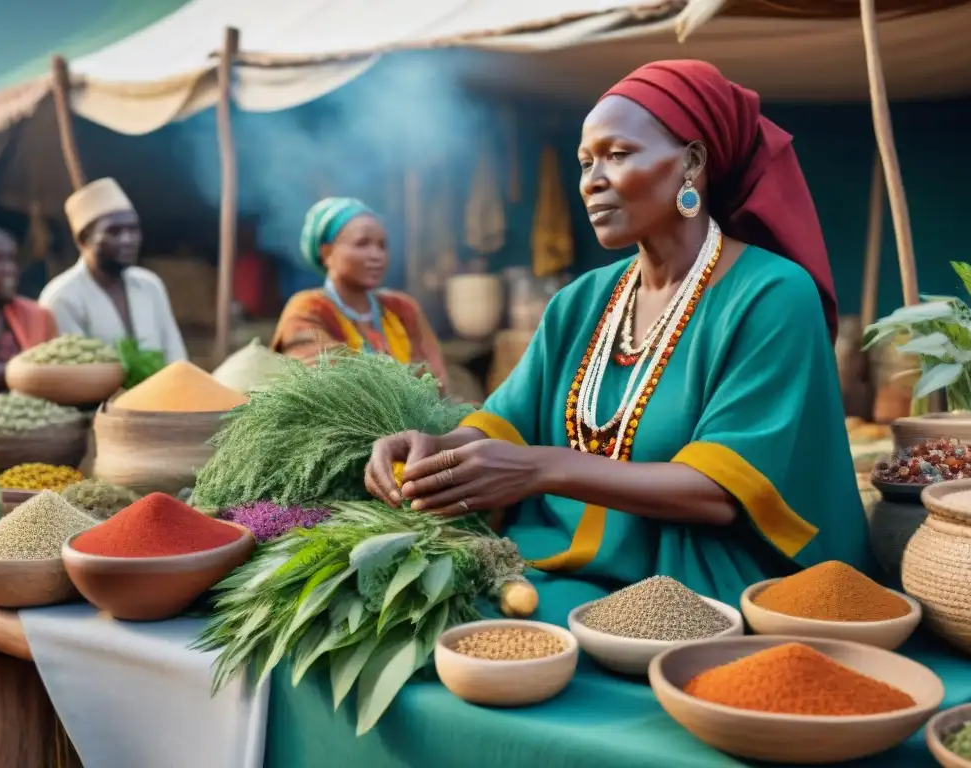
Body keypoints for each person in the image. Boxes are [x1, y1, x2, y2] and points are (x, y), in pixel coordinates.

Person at [365, 60, 874, 613]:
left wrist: (538, 469)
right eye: (585, 162)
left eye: (618, 154)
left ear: (693, 162)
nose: (592, 180)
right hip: (561, 556)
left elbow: (722, 493)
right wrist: (435, 452)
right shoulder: (581, 301)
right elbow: (506, 424)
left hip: (705, 585)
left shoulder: (773, 294)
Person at [270, 197, 448, 383]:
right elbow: (326, 381)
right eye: (362, 243)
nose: (377, 255)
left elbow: (436, 380)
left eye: (382, 245)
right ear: (327, 253)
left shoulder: (402, 308)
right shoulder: (308, 309)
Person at [39, 178, 187, 364]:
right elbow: (75, 374)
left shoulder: (150, 285)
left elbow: (176, 356)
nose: (128, 239)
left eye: (133, 230)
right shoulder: (63, 297)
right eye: (114, 232)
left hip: (162, 392)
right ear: (84, 240)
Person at [0, 226, 58, 394]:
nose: (9, 269)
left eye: (12, 260)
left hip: (26, 414)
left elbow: (55, 368)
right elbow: (42, 371)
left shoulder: (38, 316)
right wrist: (25, 371)